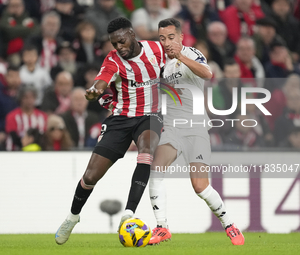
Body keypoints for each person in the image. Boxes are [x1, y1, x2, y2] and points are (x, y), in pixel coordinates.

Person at [54, 17, 165, 245]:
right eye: (115, 44)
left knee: (146, 152)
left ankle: (128, 214)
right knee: (91, 176)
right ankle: (72, 217)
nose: (119, 47)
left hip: (150, 115)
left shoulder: (156, 49)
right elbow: (101, 81)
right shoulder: (113, 60)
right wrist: (94, 91)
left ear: (132, 34)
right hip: (121, 118)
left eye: (122, 41)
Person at [147, 18, 244, 245]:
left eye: (171, 37)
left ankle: (229, 224)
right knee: (155, 171)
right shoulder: (161, 65)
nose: (167, 43)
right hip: (171, 129)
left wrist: (181, 56)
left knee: (200, 186)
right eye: (162, 39)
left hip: (196, 128)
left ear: (181, 37)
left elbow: (207, 74)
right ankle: (162, 227)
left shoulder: (192, 53)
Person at [0, 66, 21, 150]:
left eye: (17, 76)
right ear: (5, 77)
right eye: (11, 76)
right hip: (2, 129)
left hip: (20, 129)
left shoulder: (23, 93)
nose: (14, 79)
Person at [5, 86, 47, 151]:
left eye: (32, 97)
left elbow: (44, 136)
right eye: (26, 97)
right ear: (20, 98)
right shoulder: (12, 116)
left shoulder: (43, 116)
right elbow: (13, 136)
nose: (29, 100)